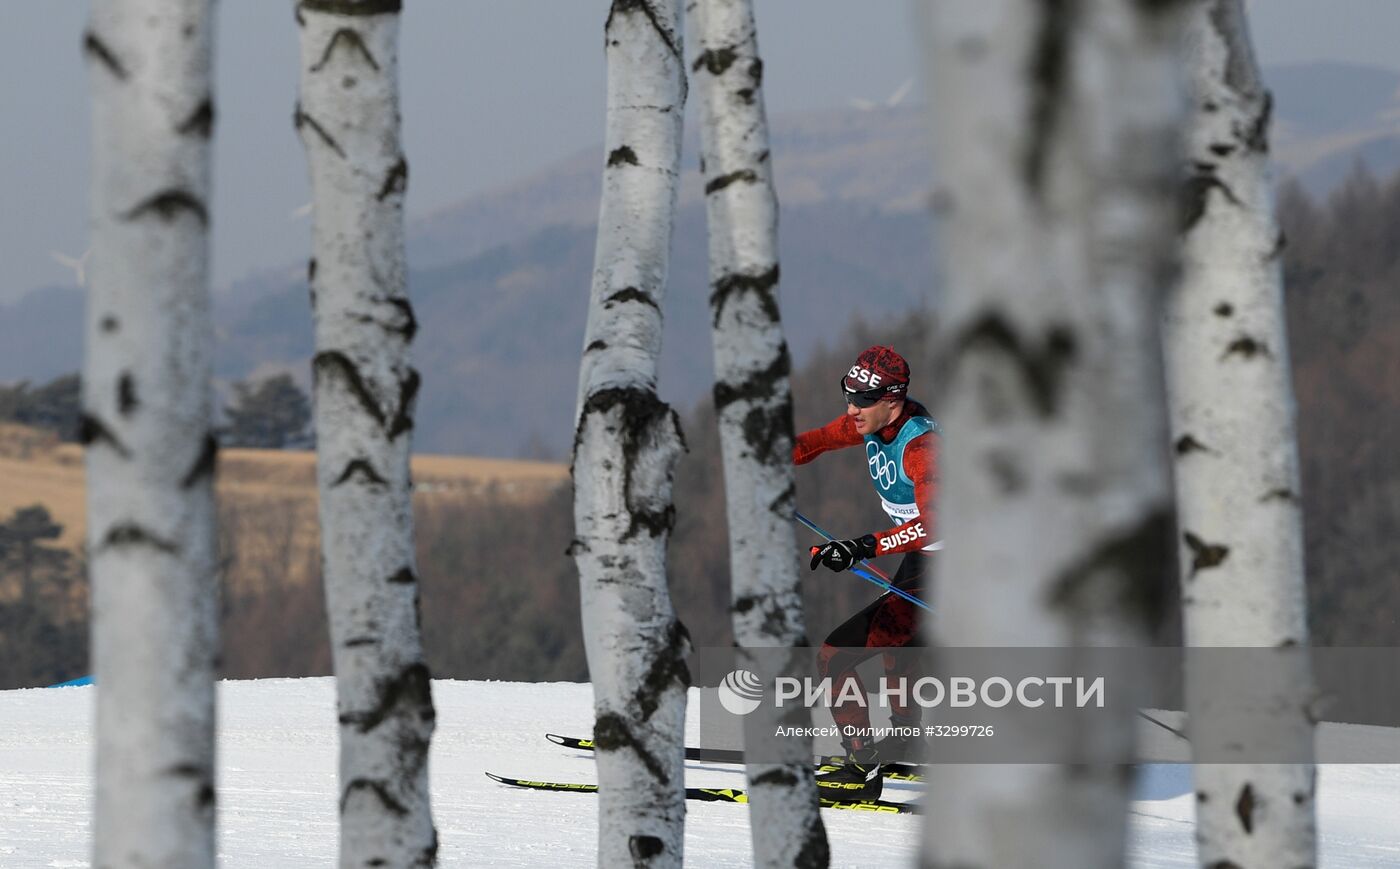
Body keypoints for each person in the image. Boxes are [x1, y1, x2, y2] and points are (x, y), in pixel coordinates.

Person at [794, 345, 940, 800]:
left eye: (861, 400)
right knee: (902, 646)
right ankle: (907, 742)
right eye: (848, 395)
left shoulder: (920, 446)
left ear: (892, 400)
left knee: (835, 655)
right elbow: (815, 442)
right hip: (926, 562)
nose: (851, 408)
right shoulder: (872, 421)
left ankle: (860, 772)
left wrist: (860, 547)